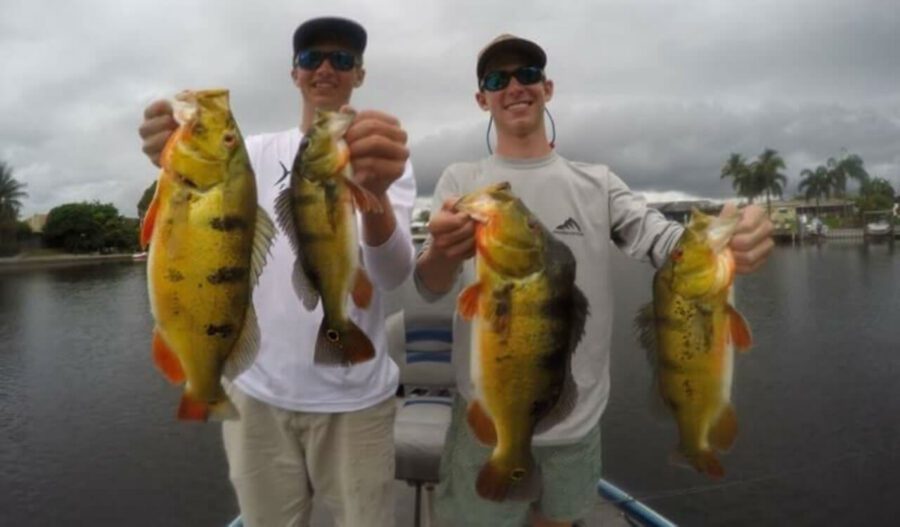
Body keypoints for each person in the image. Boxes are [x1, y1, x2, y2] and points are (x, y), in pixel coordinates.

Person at [414, 34, 774, 527]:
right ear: (483, 100)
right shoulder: (461, 180)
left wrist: (729, 243)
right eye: (498, 79)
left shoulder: (598, 183)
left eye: (528, 74)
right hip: (488, 416)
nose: (515, 86)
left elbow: (662, 242)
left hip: (577, 420)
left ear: (548, 87)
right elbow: (432, 284)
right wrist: (440, 250)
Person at [138, 17, 415, 527]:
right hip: (256, 393)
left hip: (356, 402)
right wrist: (170, 151)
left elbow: (392, 274)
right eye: (312, 59)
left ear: (360, 73)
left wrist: (374, 194)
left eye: (342, 59)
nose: (326, 68)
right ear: (294, 74)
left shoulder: (381, 154)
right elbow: (196, 227)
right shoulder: (251, 154)